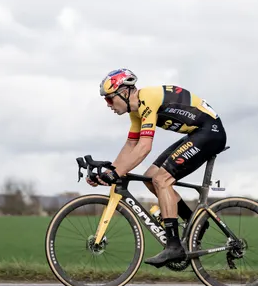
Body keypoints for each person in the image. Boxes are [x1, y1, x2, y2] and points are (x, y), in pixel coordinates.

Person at [90, 68, 227, 267]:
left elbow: (145, 147)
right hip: (197, 132)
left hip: (210, 133)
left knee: (161, 179)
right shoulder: (136, 112)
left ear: (125, 92)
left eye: (110, 99)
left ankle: (174, 247)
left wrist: (117, 172)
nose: (108, 105)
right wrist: (109, 172)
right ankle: (195, 222)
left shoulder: (147, 100)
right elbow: (131, 146)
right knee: (151, 176)